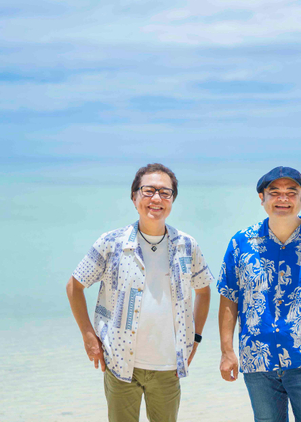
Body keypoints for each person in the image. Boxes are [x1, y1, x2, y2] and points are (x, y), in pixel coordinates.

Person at [66, 163, 213, 422]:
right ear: (134, 197)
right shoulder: (111, 243)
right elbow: (74, 286)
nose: (156, 198)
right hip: (120, 364)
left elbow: (204, 291)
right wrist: (88, 335)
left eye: (165, 192)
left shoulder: (187, 246)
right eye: (148, 191)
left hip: (168, 367)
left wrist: (195, 339)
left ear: (172, 200)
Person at [217, 166, 301, 422]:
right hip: (258, 362)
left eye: (291, 192)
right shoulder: (240, 242)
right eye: (274, 192)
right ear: (262, 198)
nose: (283, 199)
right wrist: (227, 351)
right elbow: (229, 297)